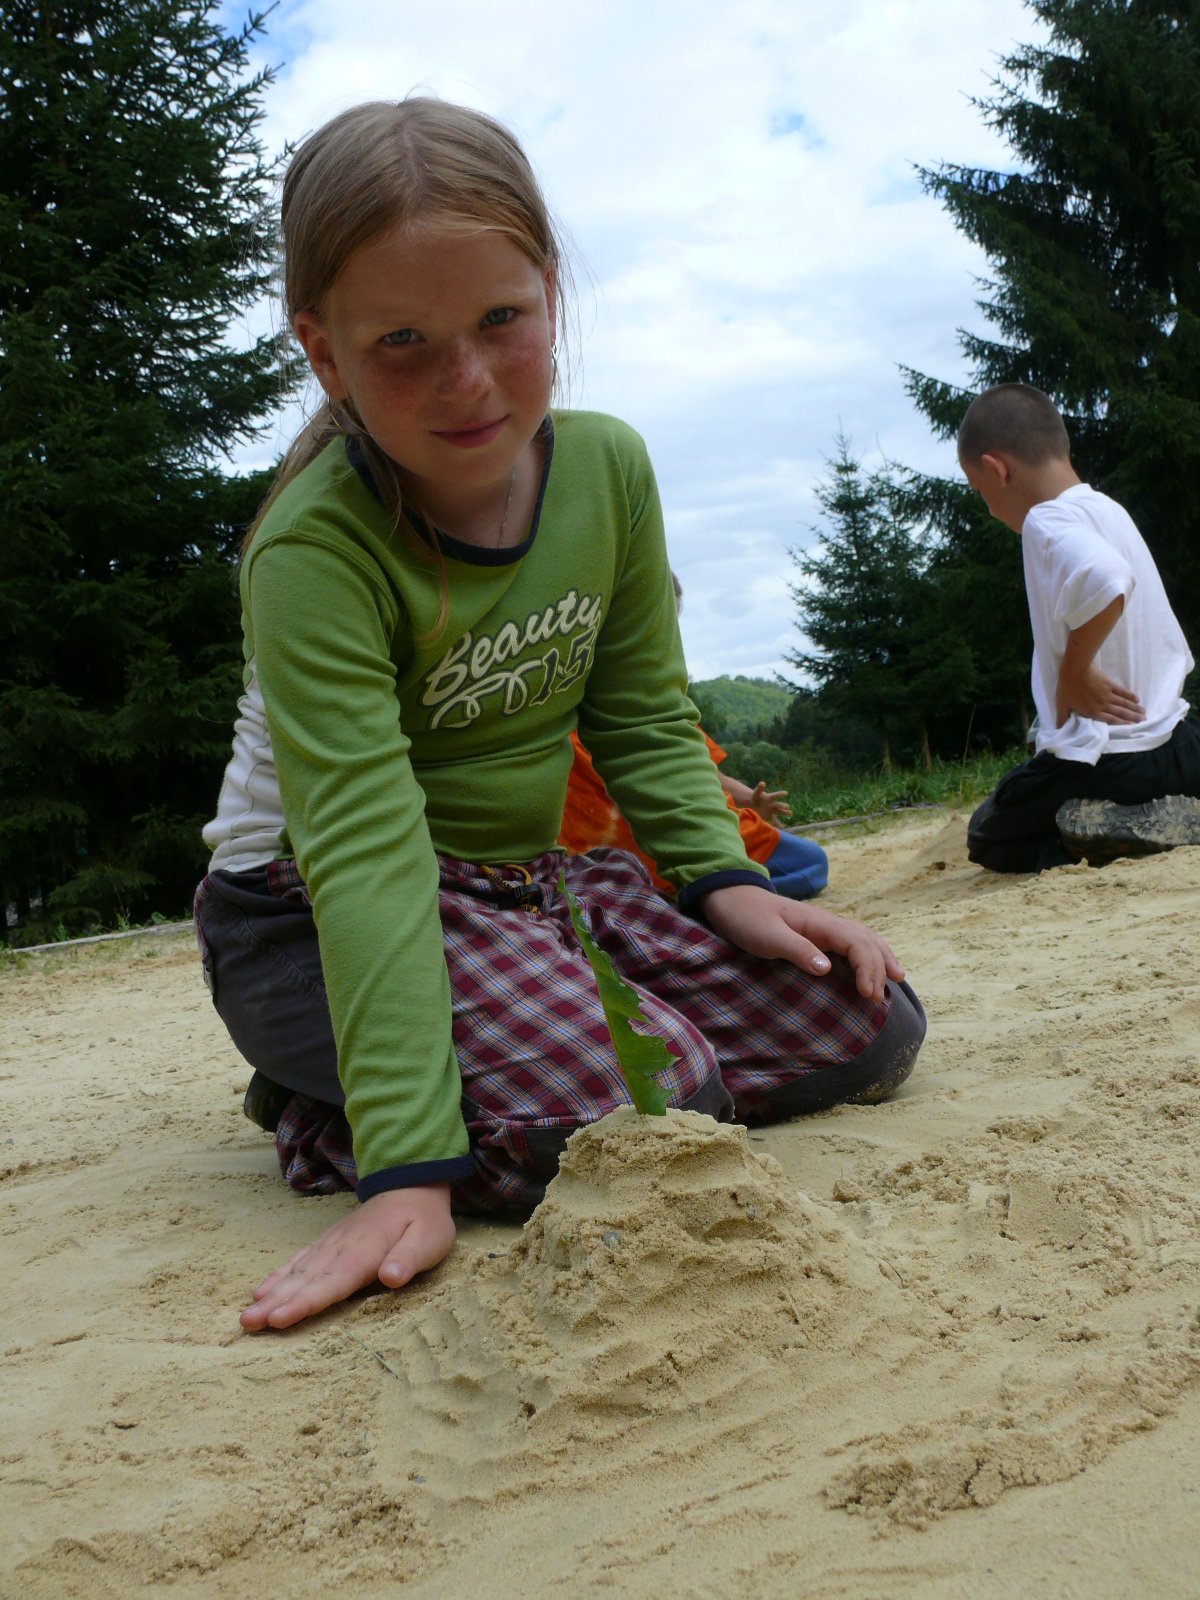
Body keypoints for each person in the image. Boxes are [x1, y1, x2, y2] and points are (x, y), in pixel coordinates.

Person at [194, 98, 926, 1334]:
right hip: (309, 915)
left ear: (552, 294)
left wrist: (724, 885)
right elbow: (365, 852)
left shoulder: (606, 469)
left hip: (527, 884)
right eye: (402, 341)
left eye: (501, 320)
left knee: (864, 1022)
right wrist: (408, 1169)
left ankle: (504, 1050)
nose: (467, 380)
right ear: (324, 353)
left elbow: (642, 716)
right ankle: (331, 1102)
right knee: (659, 1102)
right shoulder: (314, 552)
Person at [959, 382, 1200, 872]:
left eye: (980, 492)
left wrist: (1074, 673)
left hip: (1111, 760)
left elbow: (1108, 578)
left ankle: (1113, 831)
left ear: (997, 469)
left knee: (988, 831)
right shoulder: (1109, 509)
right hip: (1178, 747)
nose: (988, 508)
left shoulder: (1044, 522)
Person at [560, 729, 830, 900]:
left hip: (694, 840)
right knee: (812, 864)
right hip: (677, 844)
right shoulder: (564, 725)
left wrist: (751, 800)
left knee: (811, 863)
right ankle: (708, 900)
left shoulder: (647, 701)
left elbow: (707, 773)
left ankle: (687, 901)